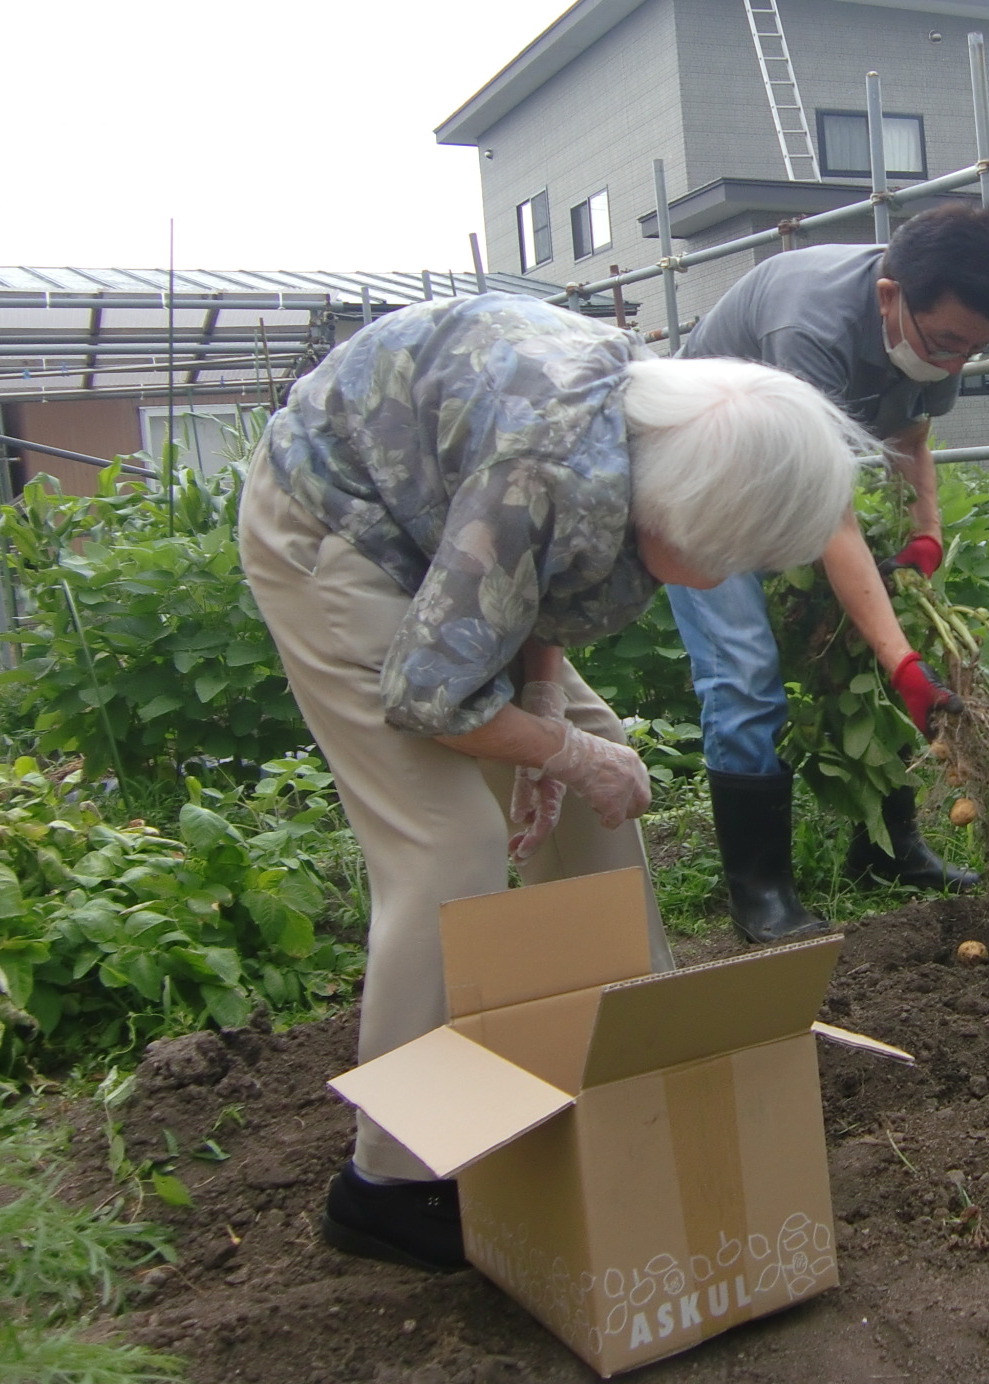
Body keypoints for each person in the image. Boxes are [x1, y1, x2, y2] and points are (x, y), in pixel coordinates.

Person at [238, 293, 866, 1271]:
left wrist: (545, 712)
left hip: (453, 521)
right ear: (687, 514)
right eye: (732, 555)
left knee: (595, 765)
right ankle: (390, 1185)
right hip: (340, 526)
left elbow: (529, 579)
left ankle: (624, 1064)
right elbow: (427, 692)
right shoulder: (549, 470)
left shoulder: (642, 442)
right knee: (449, 847)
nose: (728, 576)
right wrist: (552, 752)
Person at [672, 201, 989, 942]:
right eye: (945, 344)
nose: (953, 363)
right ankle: (762, 891)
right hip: (698, 477)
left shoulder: (938, 327)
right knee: (744, 668)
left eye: (971, 349)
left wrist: (926, 535)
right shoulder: (808, 325)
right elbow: (826, 513)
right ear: (888, 298)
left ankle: (889, 850)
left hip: (791, 474)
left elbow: (910, 434)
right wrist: (902, 659)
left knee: (869, 635)